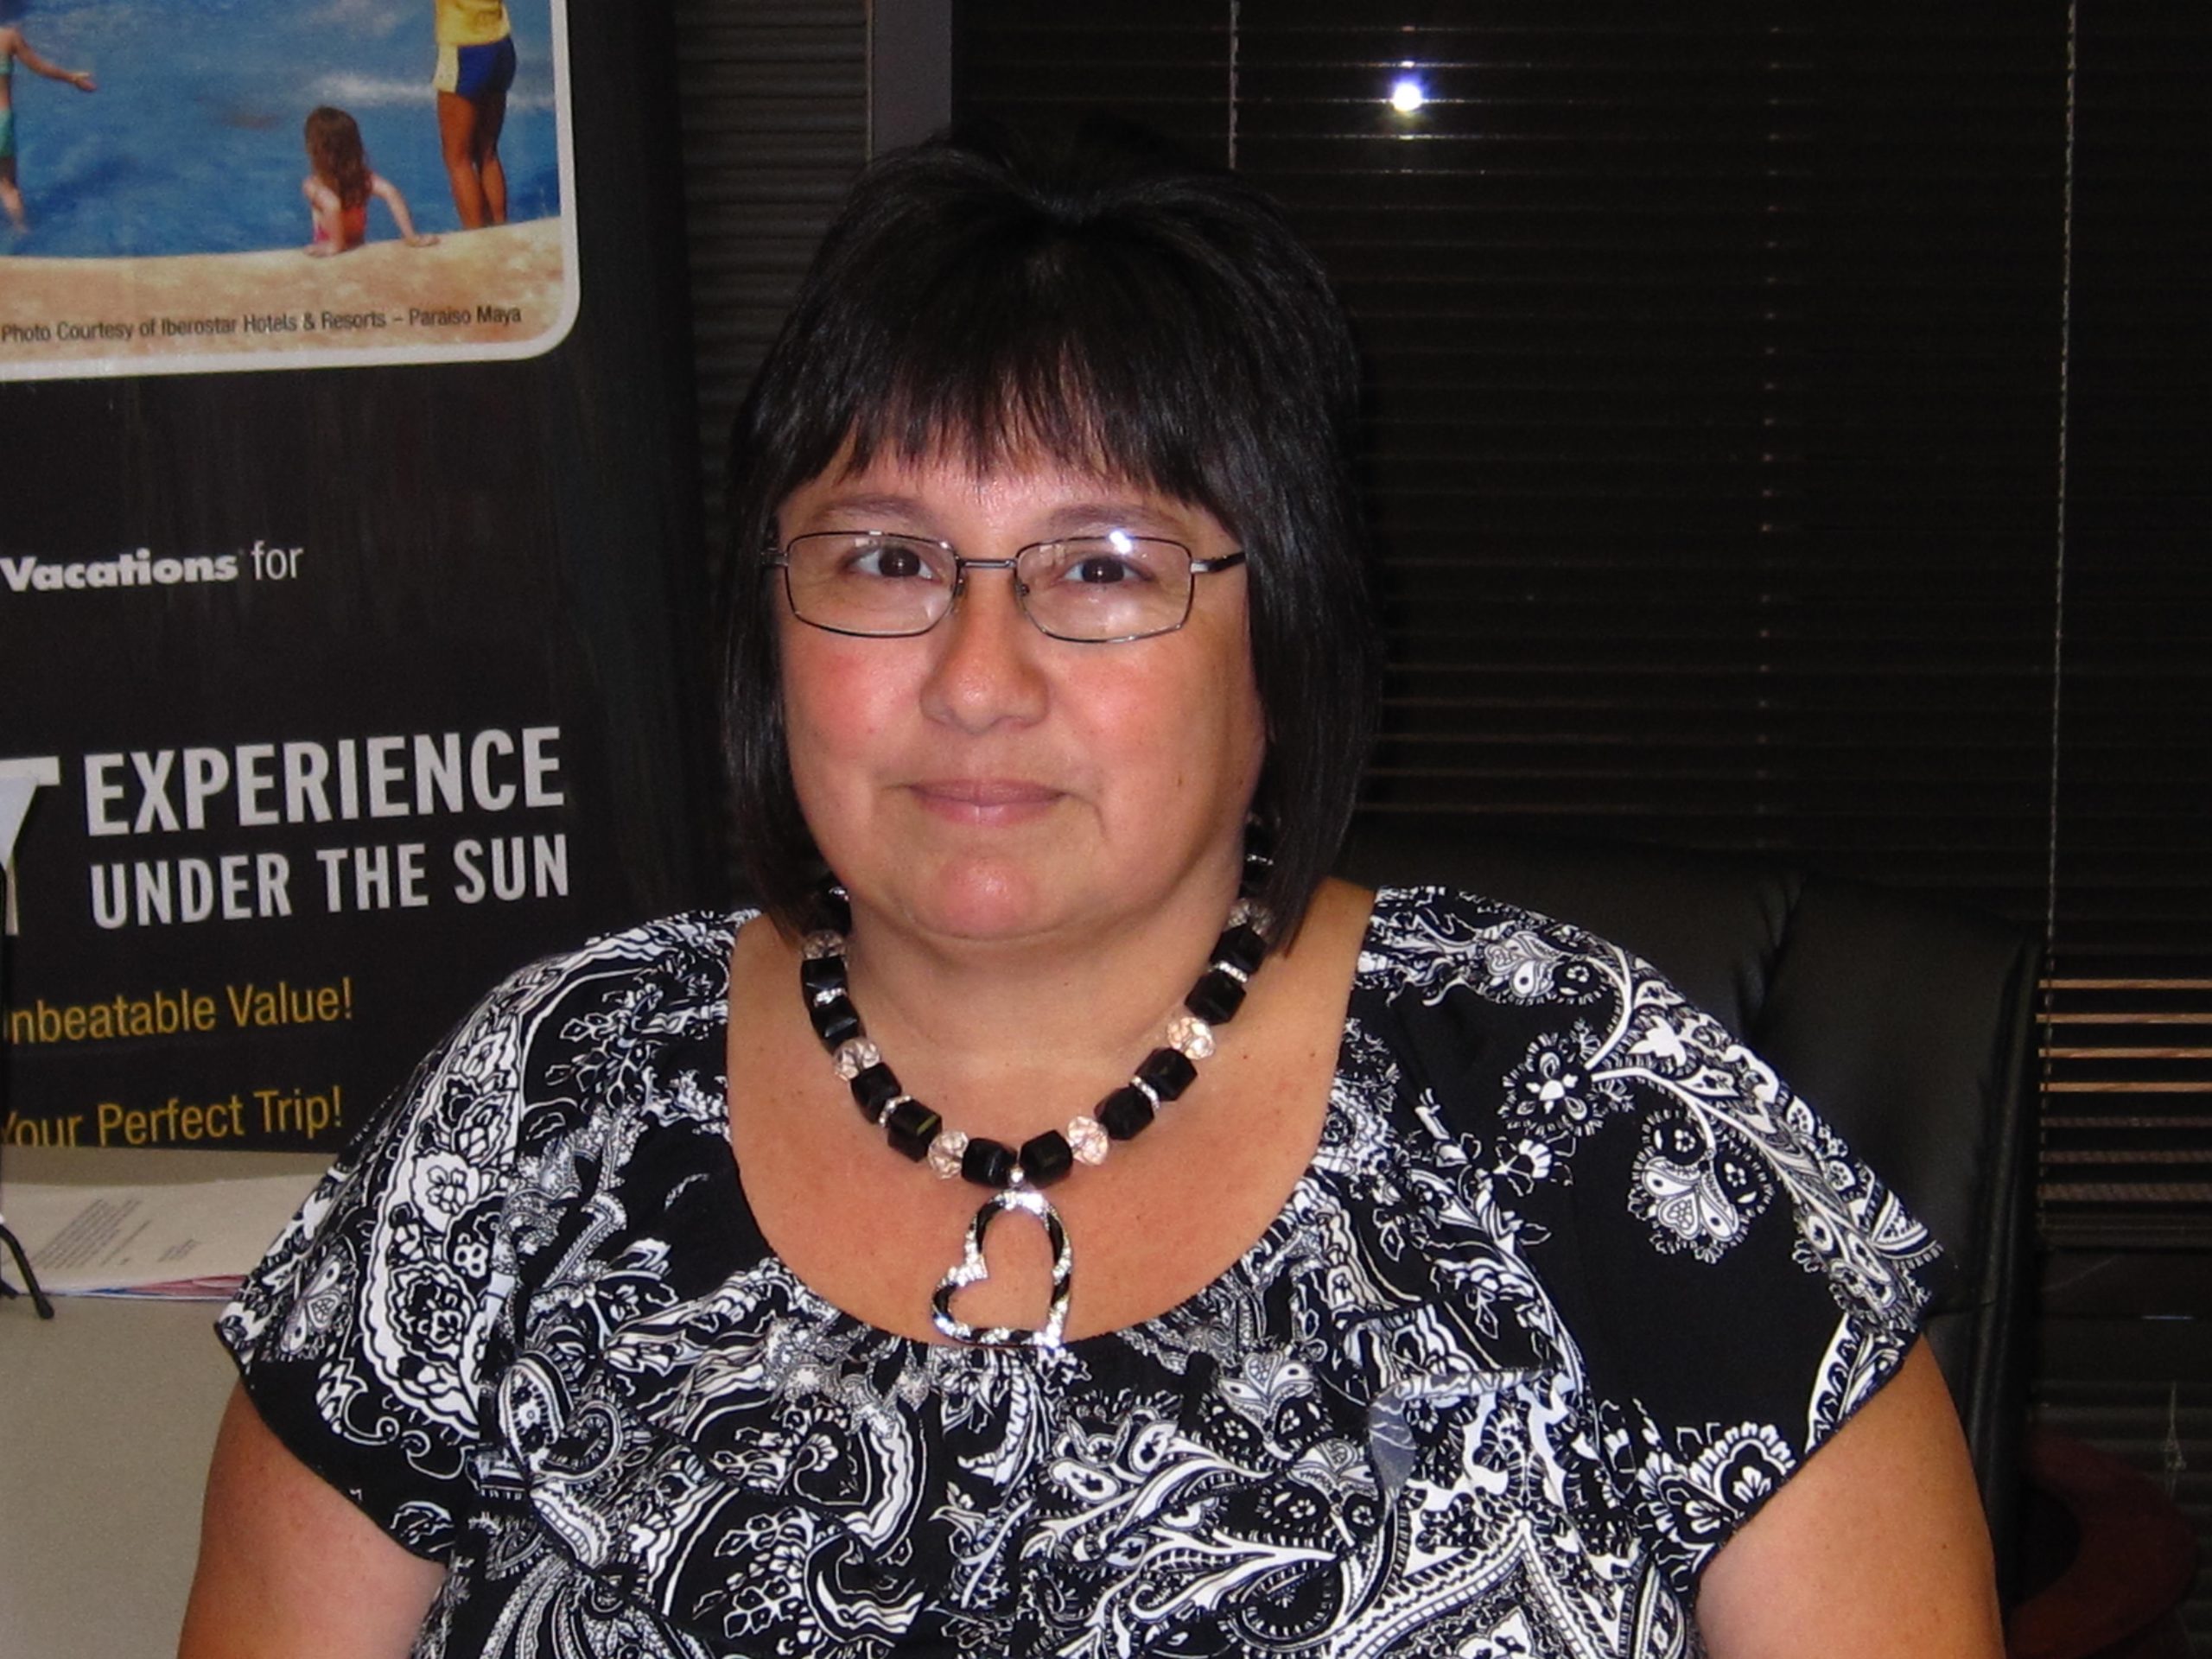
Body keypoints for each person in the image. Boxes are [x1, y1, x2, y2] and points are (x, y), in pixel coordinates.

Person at [181, 124, 2005, 1658]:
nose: (978, 678)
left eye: (1105, 567)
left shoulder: (1585, 1120)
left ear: (1281, 633)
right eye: (887, 559)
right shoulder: (539, 1102)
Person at [301, 106, 435, 256]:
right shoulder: (362, 179)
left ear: (313, 148)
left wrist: (335, 245)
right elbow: (391, 193)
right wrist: (411, 236)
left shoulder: (314, 185)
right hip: (358, 243)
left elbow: (332, 206)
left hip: (328, 245)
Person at [0, 22, 94, 232]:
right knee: (9, 188)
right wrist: (72, 77)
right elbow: (41, 68)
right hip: (2, 121)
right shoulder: (9, 37)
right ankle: (22, 231)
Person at [432, 0, 513, 229]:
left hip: (464, 48)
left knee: (458, 159)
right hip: (501, 45)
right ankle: (501, 230)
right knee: (487, 152)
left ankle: (476, 237)